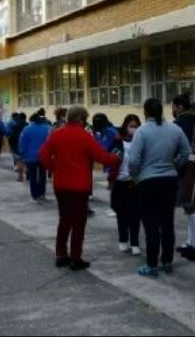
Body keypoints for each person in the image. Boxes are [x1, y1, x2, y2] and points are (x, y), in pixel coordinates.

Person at [39, 106, 120, 271]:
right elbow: (102, 157)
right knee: (78, 223)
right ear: (82, 119)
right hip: (80, 186)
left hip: (61, 185)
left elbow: (43, 155)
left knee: (64, 220)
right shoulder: (85, 136)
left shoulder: (57, 134)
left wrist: (54, 168)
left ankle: (61, 254)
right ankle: (76, 258)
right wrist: (116, 158)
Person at [128, 99, 191, 278]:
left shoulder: (142, 131)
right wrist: (174, 166)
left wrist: (136, 177)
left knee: (151, 225)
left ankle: (152, 264)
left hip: (148, 182)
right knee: (167, 223)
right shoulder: (175, 129)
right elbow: (186, 153)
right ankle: (167, 261)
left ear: (145, 112)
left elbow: (133, 160)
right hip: (169, 181)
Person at [172, 94, 195, 263]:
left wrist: (176, 165)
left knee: (191, 208)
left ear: (180, 107)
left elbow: (177, 149)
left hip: (188, 170)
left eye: (174, 107)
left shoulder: (179, 124)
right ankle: (191, 243)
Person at [109, 114, 143, 256]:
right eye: (131, 126)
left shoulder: (141, 141)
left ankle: (135, 242)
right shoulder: (118, 141)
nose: (133, 129)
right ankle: (123, 240)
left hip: (134, 183)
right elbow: (109, 156)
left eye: (136, 126)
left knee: (135, 214)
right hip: (119, 181)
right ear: (125, 127)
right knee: (121, 213)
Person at [20, 111, 51, 203]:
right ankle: (42, 194)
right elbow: (49, 142)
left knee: (33, 176)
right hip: (43, 156)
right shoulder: (46, 129)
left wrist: (22, 154)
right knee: (42, 176)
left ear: (31, 120)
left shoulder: (26, 129)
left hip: (30, 156)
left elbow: (22, 143)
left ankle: (35, 195)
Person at [8, 112, 28, 181]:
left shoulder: (16, 126)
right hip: (27, 147)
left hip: (17, 146)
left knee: (20, 161)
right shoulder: (28, 125)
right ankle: (28, 175)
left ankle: (21, 177)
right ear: (25, 118)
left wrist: (11, 145)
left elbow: (12, 137)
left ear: (19, 118)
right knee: (27, 162)